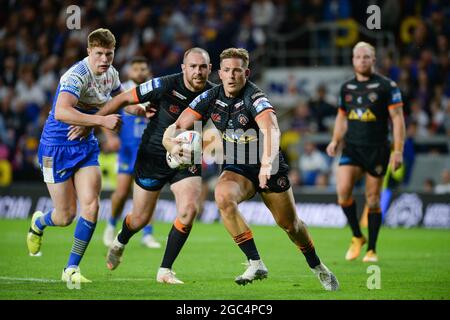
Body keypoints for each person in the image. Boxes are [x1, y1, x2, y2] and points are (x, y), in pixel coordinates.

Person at [163, 48, 339, 291]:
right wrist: (171, 144)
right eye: (227, 70)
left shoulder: (255, 97)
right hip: (237, 167)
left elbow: (271, 128)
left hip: (269, 166)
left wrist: (267, 164)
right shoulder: (210, 97)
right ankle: (255, 262)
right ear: (220, 73)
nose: (232, 75)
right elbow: (177, 126)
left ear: (246, 72)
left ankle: (317, 266)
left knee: (290, 225)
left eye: (237, 70)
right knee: (222, 196)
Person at [26, 28, 146, 283]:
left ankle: (71, 268)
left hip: (85, 146)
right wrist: (100, 120)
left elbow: (122, 101)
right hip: (55, 147)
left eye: (109, 54)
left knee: (91, 205)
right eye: (99, 54)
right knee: (65, 216)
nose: (104, 59)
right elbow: (61, 112)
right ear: (89, 51)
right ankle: (39, 222)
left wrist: (144, 111)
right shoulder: (76, 75)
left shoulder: (111, 74)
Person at [91, 47, 214, 284]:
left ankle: (165, 270)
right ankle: (120, 241)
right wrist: (93, 125)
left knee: (189, 210)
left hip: (187, 157)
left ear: (210, 69)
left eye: (202, 67)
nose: (198, 71)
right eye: (193, 66)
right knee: (139, 219)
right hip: (153, 155)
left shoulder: (214, 94)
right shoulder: (165, 84)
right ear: (183, 68)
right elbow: (123, 98)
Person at [326, 42, 406, 262]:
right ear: (353, 60)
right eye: (358, 57)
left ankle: (371, 249)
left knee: (372, 199)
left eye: (366, 57)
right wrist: (335, 140)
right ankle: (357, 236)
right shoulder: (347, 88)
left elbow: (398, 119)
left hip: (378, 149)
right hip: (352, 147)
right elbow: (342, 116)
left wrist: (397, 151)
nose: (362, 60)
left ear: (374, 60)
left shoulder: (387, 86)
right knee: (343, 192)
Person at [102, 56, 161, 249]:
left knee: (149, 191)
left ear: (148, 70)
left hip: (149, 148)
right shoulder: (122, 91)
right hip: (127, 149)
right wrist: (111, 137)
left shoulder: (155, 90)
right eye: (136, 69)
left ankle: (148, 234)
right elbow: (105, 112)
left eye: (143, 68)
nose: (140, 72)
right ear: (129, 72)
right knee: (121, 192)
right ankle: (111, 223)